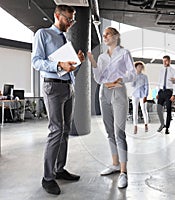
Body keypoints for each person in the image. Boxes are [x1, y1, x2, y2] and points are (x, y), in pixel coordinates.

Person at [31, 5, 85, 195]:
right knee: (56, 130)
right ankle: (47, 178)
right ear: (57, 16)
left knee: (65, 130)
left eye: (72, 20)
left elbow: (66, 68)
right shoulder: (43, 34)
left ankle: (59, 169)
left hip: (68, 87)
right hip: (53, 87)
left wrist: (76, 63)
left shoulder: (65, 40)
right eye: (68, 19)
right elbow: (36, 61)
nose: (70, 23)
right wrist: (58, 64)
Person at [87, 27, 136, 189]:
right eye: (104, 35)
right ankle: (115, 164)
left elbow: (132, 74)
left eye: (108, 34)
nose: (105, 36)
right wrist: (93, 63)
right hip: (104, 92)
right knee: (109, 132)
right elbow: (99, 77)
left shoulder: (124, 53)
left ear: (116, 36)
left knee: (119, 133)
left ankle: (123, 172)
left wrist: (119, 78)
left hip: (118, 92)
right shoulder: (101, 57)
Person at [156, 55, 175, 135]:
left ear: (169, 61)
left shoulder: (173, 71)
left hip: (169, 92)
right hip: (161, 92)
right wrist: (158, 92)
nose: (164, 62)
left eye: (166, 61)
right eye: (163, 61)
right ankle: (162, 124)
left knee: (168, 110)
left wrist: (174, 94)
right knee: (158, 109)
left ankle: (167, 128)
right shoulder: (161, 71)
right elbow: (159, 82)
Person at [131, 61, 149, 134]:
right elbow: (132, 85)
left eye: (141, 67)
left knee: (144, 110)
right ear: (136, 67)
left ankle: (146, 124)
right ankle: (135, 126)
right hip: (135, 95)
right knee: (135, 111)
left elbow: (147, 87)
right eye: (138, 67)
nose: (140, 68)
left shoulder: (145, 76)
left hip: (143, 95)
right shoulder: (133, 75)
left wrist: (146, 96)